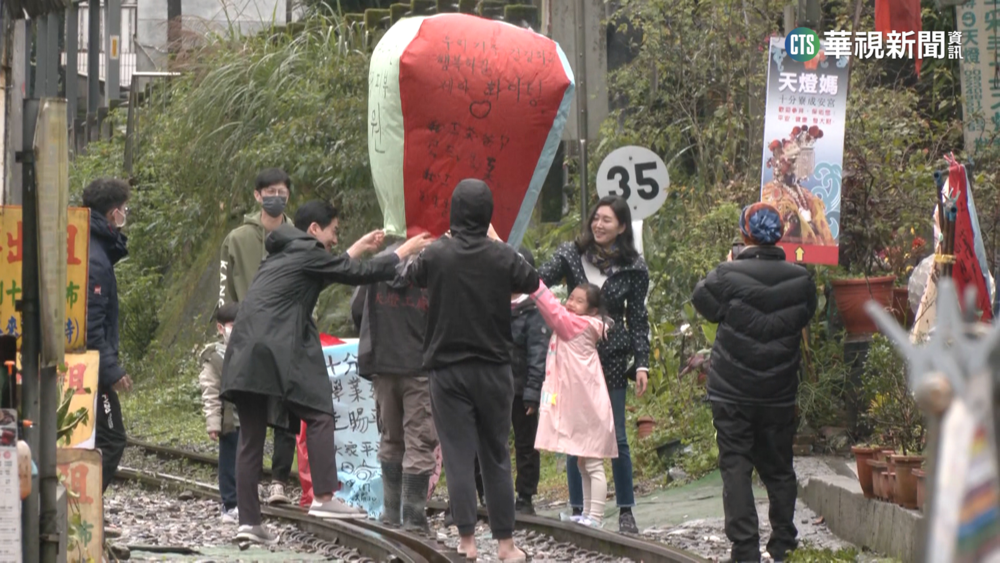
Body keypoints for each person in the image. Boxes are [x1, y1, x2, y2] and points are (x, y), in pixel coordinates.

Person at [221, 200, 432, 544]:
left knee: (250, 439)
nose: (335, 238)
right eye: (333, 231)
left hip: (244, 351)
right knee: (319, 414)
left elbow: (330, 269)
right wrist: (402, 252)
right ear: (314, 229)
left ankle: (249, 523)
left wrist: (359, 246)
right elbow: (356, 273)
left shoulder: (282, 254)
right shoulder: (307, 252)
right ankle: (323, 497)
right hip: (276, 347)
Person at [400, 179, 539, 562]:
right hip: (495, 369)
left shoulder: (437, 255)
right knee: (496, 454)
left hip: (447, 371)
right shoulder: (502, 256)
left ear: (454, 213)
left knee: (458, 454)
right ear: (488, 214)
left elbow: (409, 275)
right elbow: (531, 279)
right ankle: (506, 546)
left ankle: (467, 542)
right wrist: (497, 241)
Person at [691, 203, 817, 563]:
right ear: (780, 235)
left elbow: (704, 303)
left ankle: (745, 549)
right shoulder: (802, 279)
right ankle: (783, 544)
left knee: (736, 465)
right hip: (779, 390)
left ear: (744, 234)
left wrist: (728, 265)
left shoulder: (726, 275)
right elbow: (805, 314)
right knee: (779, 467)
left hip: (732, 390)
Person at [537, 195, 650, 533]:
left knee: (616, 433)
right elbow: (539, 279)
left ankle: (625, 510)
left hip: (611, 357)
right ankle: (578, 507)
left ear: (622, 227)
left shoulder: (634, 267)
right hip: (574, 357)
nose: (598, 225)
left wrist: (642, 363)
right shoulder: (571, 254)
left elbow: (637, 318)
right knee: (575, 433)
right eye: (595, 218)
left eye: (607, 220)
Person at [218, 168, 298, 506]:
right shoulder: (237, 239)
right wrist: (226, 322)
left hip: (287, 335)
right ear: (257, 195)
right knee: (247, 417)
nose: (275, 198)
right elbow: (224, 288)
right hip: (248, 338)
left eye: (281, 192)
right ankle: (241, 497)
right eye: (269, 192)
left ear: (288, 196)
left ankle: (279, 481)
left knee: (286, 411)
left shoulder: (297, 237)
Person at [350, 239, 438, 532]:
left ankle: (390, 513)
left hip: (383, 364)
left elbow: (357, 309)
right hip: (420, 367)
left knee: (390, 437)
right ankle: (414, 517)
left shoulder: (380, 262)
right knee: (419, 440)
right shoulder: (433, 263)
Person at [529, 281, 617, 528]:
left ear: (592, 311)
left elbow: (552, 309)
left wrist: (533, 283)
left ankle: (595, 517)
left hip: (588, 407)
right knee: (583, 462)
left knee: (593, 463)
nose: (571, 303)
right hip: (583, 404)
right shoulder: (580, 324)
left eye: (579, 301)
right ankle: (587, 514)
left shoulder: (577, 325)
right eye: (571, 298)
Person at [83, 178, 132, 494]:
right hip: (90, 367)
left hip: (87, 363)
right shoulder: (96, 257)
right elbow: (91, 324)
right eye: (125, 209)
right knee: (112, 438)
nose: (126, 215)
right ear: (114, 213)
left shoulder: (89, 244)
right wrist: (112, 371)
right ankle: (83, 508)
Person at [508, 246, 550, 515]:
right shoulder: (491, 302)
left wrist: (534, 392)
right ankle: (487, 492)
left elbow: (538, 352)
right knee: (489, 442)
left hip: (522, 388)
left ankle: (525, 495)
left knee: (526, 443)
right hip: (494, 386)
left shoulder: (534, 309)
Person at [198, 302, 241, 523]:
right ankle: (229, 503)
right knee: (228, 463)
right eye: (232, 325)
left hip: (249, 418)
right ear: (220, 327)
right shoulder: (213, 357)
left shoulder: (249, 348)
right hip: (229, 421)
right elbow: (210, 392)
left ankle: (245, 502)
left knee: (246, 462)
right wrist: (213, 423)